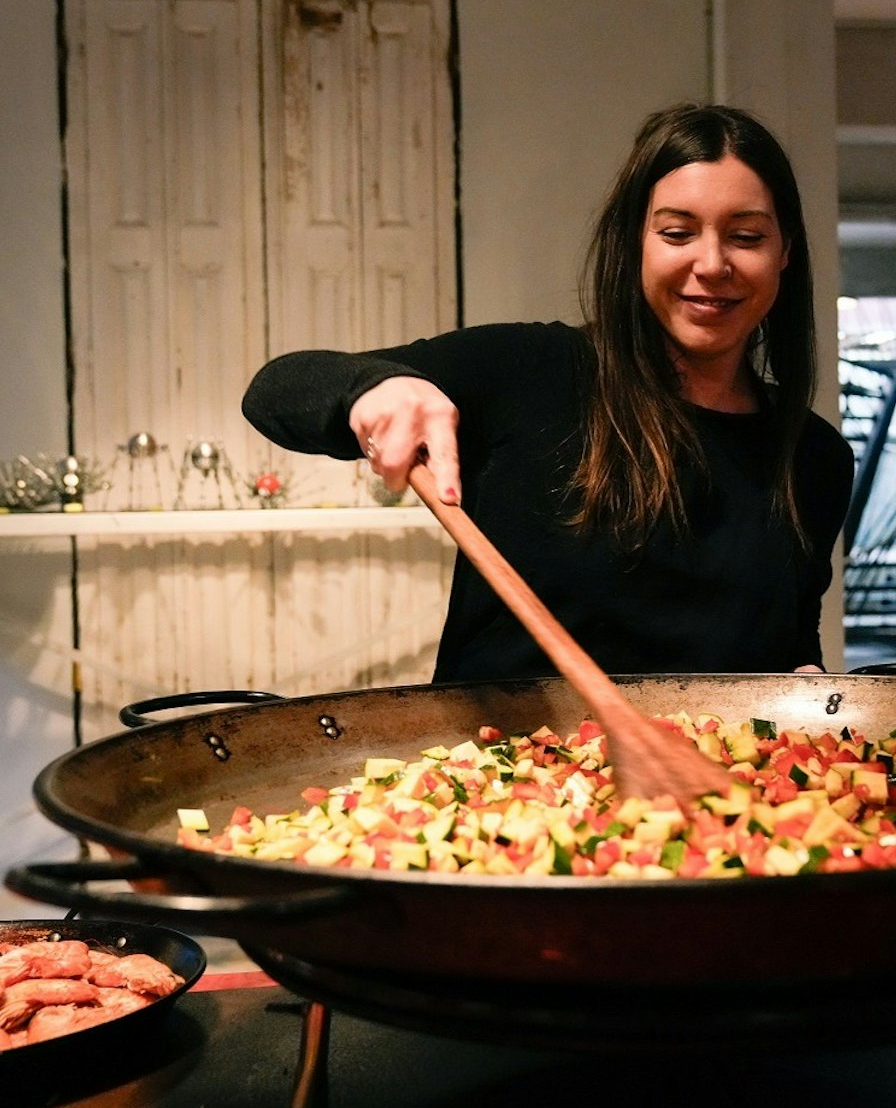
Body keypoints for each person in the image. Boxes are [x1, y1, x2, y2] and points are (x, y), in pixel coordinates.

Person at [242, 103, 855, 683]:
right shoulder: (530, 373)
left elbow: (793, 645)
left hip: (718, 786)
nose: (712, 263)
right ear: (634, 244)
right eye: (676, 233)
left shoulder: (814, 457)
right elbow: (276, 391)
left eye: (746, 237)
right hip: (503, 780)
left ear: (785, 254)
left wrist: (802, 682)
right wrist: (372, 387)